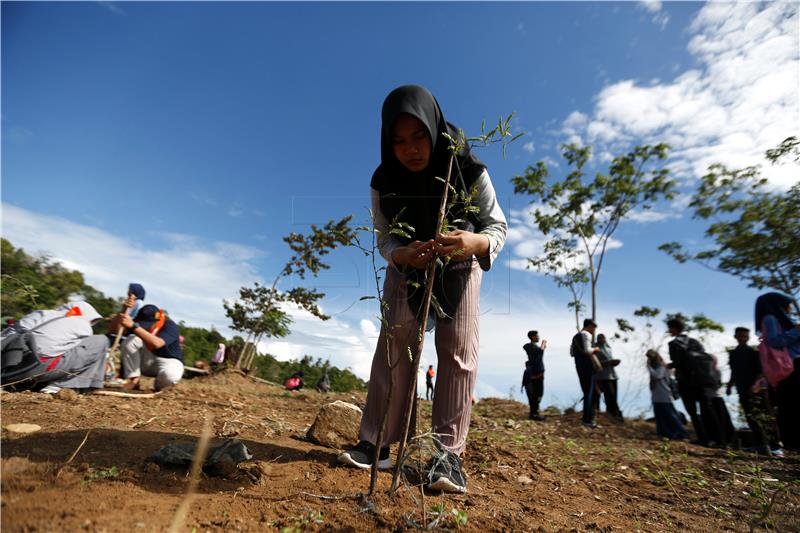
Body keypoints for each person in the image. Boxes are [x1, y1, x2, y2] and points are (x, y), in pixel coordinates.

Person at [337, 85, 507, 494]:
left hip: (461, 267)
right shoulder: (384, 181)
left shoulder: (468, 170)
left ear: (434, 130)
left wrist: (474, 243)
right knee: (395, 346)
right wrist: (402, 256)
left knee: (457, 352)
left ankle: (447, 457)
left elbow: (496, 227)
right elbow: (383, 239)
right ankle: (375, 443)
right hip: (407, 267)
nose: (410, 149)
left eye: (419, 137)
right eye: (398, 141)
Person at [2, 301, 108, 393]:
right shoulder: (83, 325)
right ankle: (61, 385)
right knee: (100, 341)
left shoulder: (39, 313)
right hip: (33, 370)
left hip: (6, 369)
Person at [667, 318, 723, 447]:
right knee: (707, 409)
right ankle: (720, 440)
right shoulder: (695, 342)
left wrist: (671, 365)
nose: (669, 331)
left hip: (686, 381)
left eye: (670, 328)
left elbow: (678, 363)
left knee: (692, 411)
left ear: (674, 328)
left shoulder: (674, 343)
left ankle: (703, 438)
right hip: (702, 380)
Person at [755, 292, 800, 451]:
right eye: (786, 303)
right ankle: (793, 442)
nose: (789, 308)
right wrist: (796, 331)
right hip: (790, 367)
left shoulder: (779, 320)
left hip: (791, 365)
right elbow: (774, 342)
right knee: (790, 404)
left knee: (790, 403)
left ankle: (792, 442)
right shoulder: (771, 319)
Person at [114, 304, 184, 391]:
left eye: (147, 325)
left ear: (157, 321)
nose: (145, 327)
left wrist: (134, 326)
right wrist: (124, 310)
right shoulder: (136, 325)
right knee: (131, 340)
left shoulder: (170, 325)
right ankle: (134, 380)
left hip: (168, 361)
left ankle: (160, 386)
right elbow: (117, 332)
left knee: (170, 375)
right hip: (147, 360)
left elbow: (157, 343)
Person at [646, 349, 688, 440]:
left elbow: (657, 376)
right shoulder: (656, 367)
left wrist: (648, 367)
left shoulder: (662, 367)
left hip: (664, 394)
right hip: (656, 395)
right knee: (660, 416)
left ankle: (681, 434)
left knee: (670, 415)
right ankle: (664, 433)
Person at [570, 319, 603, 428]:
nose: (593, 331)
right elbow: (588, 350)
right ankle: (588, 420)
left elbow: (571, 353)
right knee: (590, 394)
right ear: (589, 326)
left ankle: (587, 419)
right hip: (588, 367)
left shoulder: (575, 336)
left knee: (587, 392)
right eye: (593, 328)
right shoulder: (586, 335)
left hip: (579, 367)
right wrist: (596, 349)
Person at [595, 334, 623, 422]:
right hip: (603, 376)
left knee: (614, 396)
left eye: (604, 338)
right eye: (601, 338)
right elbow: (596, 362)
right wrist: (608, 362)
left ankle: (614, 414)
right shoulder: (596, 348)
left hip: (613, 375)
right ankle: (613, 414)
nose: (603, 340)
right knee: (609, 395)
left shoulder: (608, 347)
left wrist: (614, 362)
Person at [522, 330, 546, 420]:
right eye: (537, 336)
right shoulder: (531, 347)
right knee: (536, 394)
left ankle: (534, 412)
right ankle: (534, 414)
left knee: (536, 394)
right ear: (533, 337)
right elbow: (540, 351)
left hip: (535, 374)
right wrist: (543, 344)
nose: (539, 337)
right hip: (535, 374)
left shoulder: (531, 347)